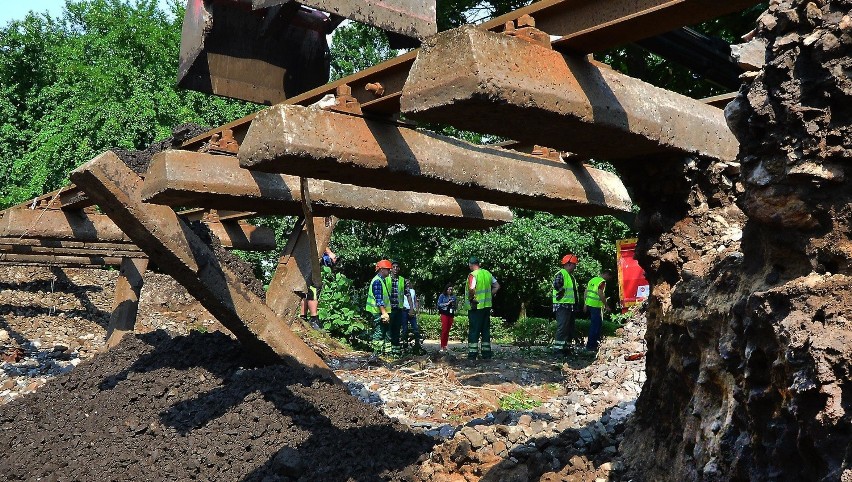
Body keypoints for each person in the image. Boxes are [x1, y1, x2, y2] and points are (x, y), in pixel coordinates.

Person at [466, 257, 499, 360]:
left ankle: (472, 354)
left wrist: (472, 299)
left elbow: (471, 288)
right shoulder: (487, 273)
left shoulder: (473, 275)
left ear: (471, 265)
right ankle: (486, 354)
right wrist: (489, 294)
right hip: (487, 306)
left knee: (474, 330)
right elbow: (497, 286)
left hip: (476, 307)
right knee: (485, 330)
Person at [300, 247, 339, 331]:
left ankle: (303, 317)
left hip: (304, 260)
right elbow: (316, 240)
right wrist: (329, 253)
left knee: (306, 291)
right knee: (313, 289)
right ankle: (314, 320)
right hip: (309, 262)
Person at [384, 260, 414, 358]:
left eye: (397, 267)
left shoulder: (402, 280)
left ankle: (395, 352)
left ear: (399, 269)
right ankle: (387, 353)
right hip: (388, 309)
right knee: (388, 331)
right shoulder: (386, 279)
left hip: (398, 310)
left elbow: (408, 295)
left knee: (396, 331)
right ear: (391, 269)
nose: (395, 269)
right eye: (394, 267)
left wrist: (411, 308)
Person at [551, 254, 580, 355]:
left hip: (569, 306)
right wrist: (561, 292)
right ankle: (558, 350)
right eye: (574, 264)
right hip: (562, 305)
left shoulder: (570, 276)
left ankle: (566, 348)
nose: (575, 267)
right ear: (568, 264)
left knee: (569, 328)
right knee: (562, 327)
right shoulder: (561, 273)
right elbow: (556, 284)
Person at [365, 259, 392, 356]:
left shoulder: (383, 280)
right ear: (381, 270)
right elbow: (378, 299)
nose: (389, 271)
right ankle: (375, 353)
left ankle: (386, 354)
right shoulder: (377, 281)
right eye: (388, 269)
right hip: (377, 312)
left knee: (386, 331)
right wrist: (384, 313)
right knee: (379, 332)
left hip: (381, 311)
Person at [584, 269, 614, 352]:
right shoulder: (602, 282)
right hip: (595, 306)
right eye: (609, 277)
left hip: (589, 304)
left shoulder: (592, 280)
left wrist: (585, 304)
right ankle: (592, 345)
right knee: (596, 326)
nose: (608, 279)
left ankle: (593, 344)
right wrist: (606, 305)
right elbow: (600, 294)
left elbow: (586, 291)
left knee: (595, 324)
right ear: (606, 274)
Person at [401, 283, 422, 353]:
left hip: (411, 310)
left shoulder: (413, 291)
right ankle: (405, 345)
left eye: (408, 282)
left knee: (415, 327)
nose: (407, 284)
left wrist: (417, 310)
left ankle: (417, 344)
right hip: (404, 310)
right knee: (405, 328)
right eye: (405, 283)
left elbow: (415, 301)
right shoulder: (401, 290)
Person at [437, 283, 457, 352]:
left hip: (450, 314)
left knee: (448, 330)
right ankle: (442, 346)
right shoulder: (442, 296)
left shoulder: (453, 297)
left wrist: (453, 304)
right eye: (449, 289)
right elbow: (439, 304)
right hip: (444, 313)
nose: (450, 291)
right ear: (446, 289)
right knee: (444, 329)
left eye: (451, 289)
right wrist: (447, 303)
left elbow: (455, 306)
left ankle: (446, 345)